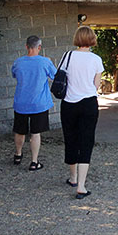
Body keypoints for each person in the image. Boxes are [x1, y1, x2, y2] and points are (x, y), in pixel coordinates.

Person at [61, 26, 104, 199]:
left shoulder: (67, 56)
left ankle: (72, 177)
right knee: (86, 141)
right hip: (88, 104)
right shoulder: (96, 59)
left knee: (70, 139)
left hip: (69, 103)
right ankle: (81, 185)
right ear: (92, 39)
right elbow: (96, 85)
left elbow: (61, 77)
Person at [11, 35, 57, 170]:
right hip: (39, 103)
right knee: (35, 133)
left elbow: (14, 75)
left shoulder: (18, 62)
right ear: (39, 47)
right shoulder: (45, 62)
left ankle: (18, 155)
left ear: (26, 46)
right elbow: (55, 76)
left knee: (19, 131)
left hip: (21, 103)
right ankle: (34, 161)